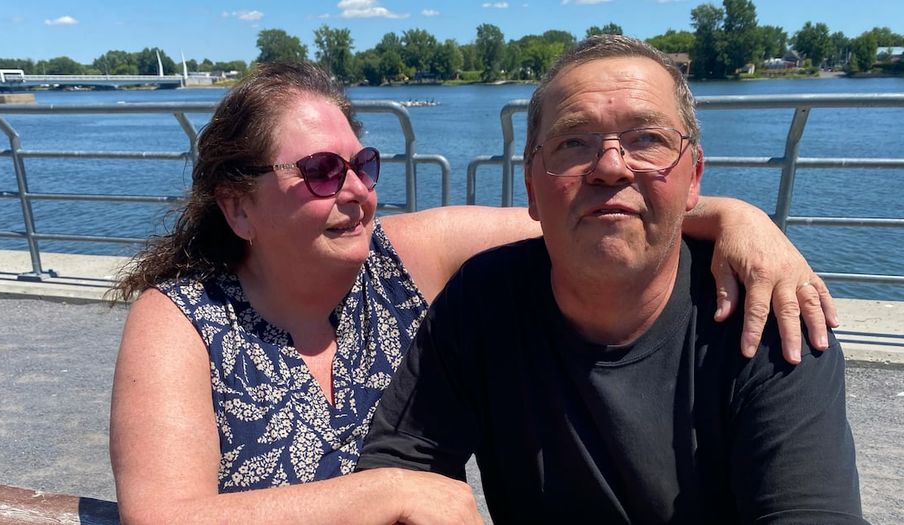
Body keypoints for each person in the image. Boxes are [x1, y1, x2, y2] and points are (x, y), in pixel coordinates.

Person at [109, 60, 839, 523]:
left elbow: (589, 214)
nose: (357, 190)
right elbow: (161, 515)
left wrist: (742, 221)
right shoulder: (184, 318)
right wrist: (385, 492)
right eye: (323, 171)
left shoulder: (405, 260)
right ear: (238, 207)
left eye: (364, 164)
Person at [357, 35, 866, 523]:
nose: (610, 166)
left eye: (648, 139)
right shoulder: (482, 302)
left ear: (693, 178)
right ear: (531, 187)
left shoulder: (766, 321)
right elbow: (399, 469)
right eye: (573, 142)